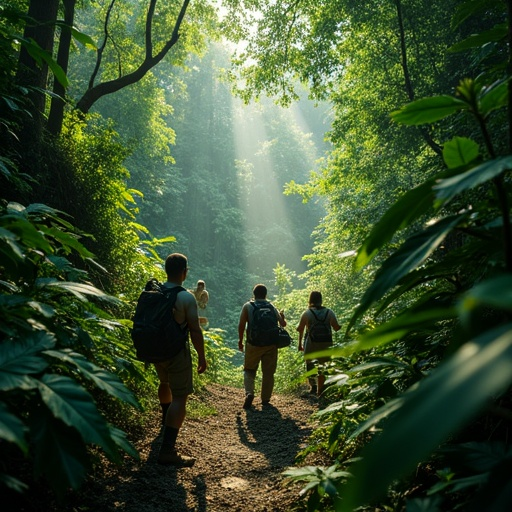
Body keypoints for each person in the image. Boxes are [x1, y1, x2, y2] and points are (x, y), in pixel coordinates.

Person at [155, 253, 207, 467]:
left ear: (167, 270)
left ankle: (165, 420)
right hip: (176, 352)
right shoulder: (186, 297)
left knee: (164, 383)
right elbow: (195, 330)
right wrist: (201, 356)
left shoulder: (154, 292)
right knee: (180, 398)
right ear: (184, 272)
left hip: (156, 350)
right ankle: (167, 450)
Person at [238, 284, 286, 409]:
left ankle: (249, 393)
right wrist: (282, 316)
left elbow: (241, 324)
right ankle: (265, 399)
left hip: (253, 344)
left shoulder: (248, 306)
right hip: (271, 344)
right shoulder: (271, 306)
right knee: (269, 372)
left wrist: (240, 340)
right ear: (266, 294)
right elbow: (283, 324)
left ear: (254, 294)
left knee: (249, 370)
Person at [297, 291, 341, 396]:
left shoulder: (307, 313)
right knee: (323, 365)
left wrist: (300, 344)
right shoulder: (329, 312)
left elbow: (300, 329)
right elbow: (336, 328)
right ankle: (320, 390)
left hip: (311, 343)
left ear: (310, 300)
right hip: (326, 343)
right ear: (321, 300)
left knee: (310, 364)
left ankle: (313, 386)